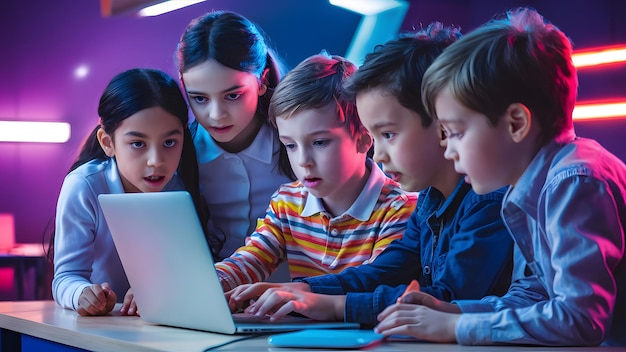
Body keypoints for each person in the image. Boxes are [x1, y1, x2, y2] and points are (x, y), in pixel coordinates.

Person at [226, 24, 514, 326]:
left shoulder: (486, 199)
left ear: (443, 123)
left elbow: (444, 297)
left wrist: (334, 307)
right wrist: (303, 290)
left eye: (388, 134)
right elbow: (385, 271)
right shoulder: (431, 199)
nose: (378, 154)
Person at [375, 7, 626, 346]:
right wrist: (455, 312)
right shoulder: (524, 189)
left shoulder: (573, 181)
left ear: (516, 124)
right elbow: (533, 295)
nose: (448, 151)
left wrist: (455, 330)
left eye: (456, 132)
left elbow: (581, 318)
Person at [215, 52, 417, 291]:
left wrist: (300, 293)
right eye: (290, 145)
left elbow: (374, 282)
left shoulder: (400, 208)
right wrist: (208, 283)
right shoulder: (287, 202)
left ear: (364, 139)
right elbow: (250, 260)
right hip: (303, 327)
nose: (303, 161)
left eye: (320, 142)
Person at [52, 68, 207, 316]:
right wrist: (82, 294)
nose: (156, 161)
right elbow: (66, 277)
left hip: (161, 322)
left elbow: (188, 271)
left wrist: (161, 288)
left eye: (169, 142)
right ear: (107, 143)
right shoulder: (85, 186)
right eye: (138, 144)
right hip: (103, 325)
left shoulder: (180, 186)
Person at [176, 10, 296, 260]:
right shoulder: (179, 154)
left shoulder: (297, 144)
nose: (216, 115)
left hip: (297, 288)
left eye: (232, 95)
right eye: (199, 98)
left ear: (262, 81)